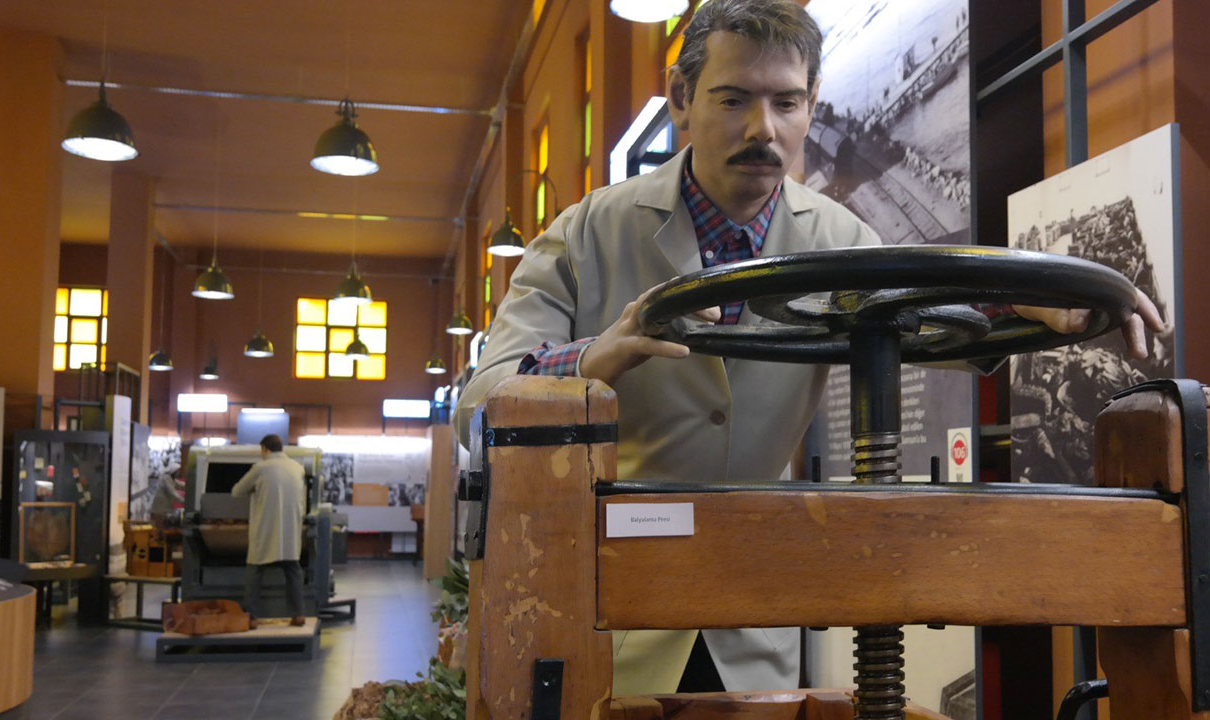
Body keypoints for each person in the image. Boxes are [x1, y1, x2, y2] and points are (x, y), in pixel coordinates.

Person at [455, 0, 1163, 696]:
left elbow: (922, 321)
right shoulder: (588, 232)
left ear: (811, 104)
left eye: (786, 103)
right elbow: (482, 400)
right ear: (680, 99)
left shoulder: (837, 239)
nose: (762, 129)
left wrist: (1026, 300)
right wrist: (590, 360)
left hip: (751, 612)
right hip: (601, 606)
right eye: (732, 99)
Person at [231, 434, 306, 627]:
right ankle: (298, 614)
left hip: (266, 529)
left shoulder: (260, 468)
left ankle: (251, 617)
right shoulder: (298, 468)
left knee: (254, 571)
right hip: (290, 529)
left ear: (265, 449)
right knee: (293, 570)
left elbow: (237, 491)